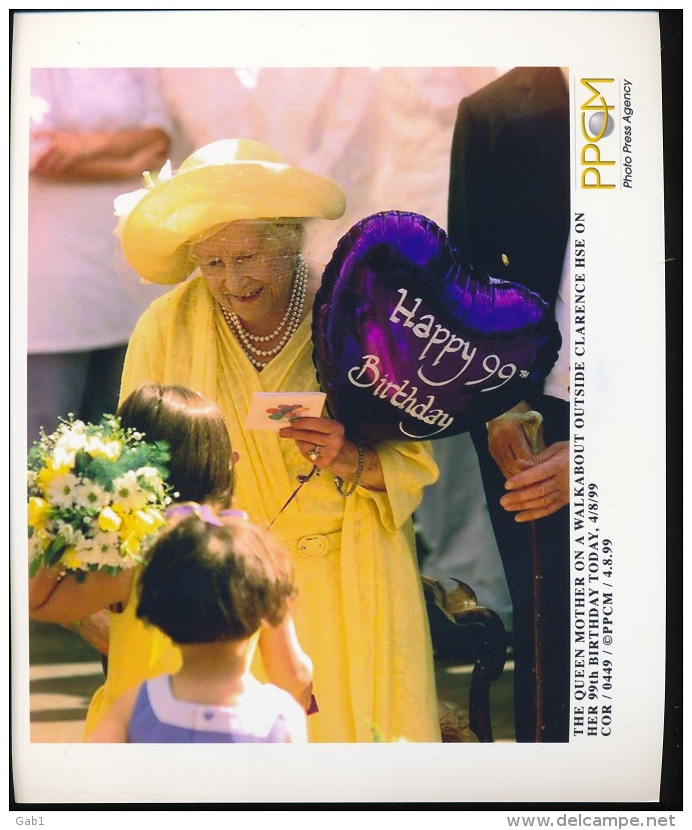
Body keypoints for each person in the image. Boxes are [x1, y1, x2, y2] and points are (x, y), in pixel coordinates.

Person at [116, 138, 441, 743]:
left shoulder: (357, 311)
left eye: (248, 256)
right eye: (212, 263)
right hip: (217, 591)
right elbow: (134, 466)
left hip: (350, 583)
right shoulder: (164, 325)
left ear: (290, 241)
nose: (232, 280)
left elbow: (416, 463)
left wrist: (352, 457)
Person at [28, 383, 314, 738]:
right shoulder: (252, 551)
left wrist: (69, 526)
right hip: (233, 730)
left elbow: (37, 602)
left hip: (135, 727)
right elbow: (292, 673)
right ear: (224, 462)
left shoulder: (128, 557)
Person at [448, 66, 571, 742]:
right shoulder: (494, 111)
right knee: (551, 647)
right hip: (528, 410)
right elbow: (466, 282)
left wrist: (598, 458)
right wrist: (497, 408)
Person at [27, 68, 174, 450]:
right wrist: (128, 162)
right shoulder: (35, 56)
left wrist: (80, 146)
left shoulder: (135, 59)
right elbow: (38, 156)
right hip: (52, 282)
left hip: (121, 277)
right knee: (44, 445)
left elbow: (160, 140)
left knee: (117, 442)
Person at [86, 510, 308, 743]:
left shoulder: (135, 705)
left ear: (161, 614)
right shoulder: (279, 715)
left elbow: (95, 772)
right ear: (265, 608)